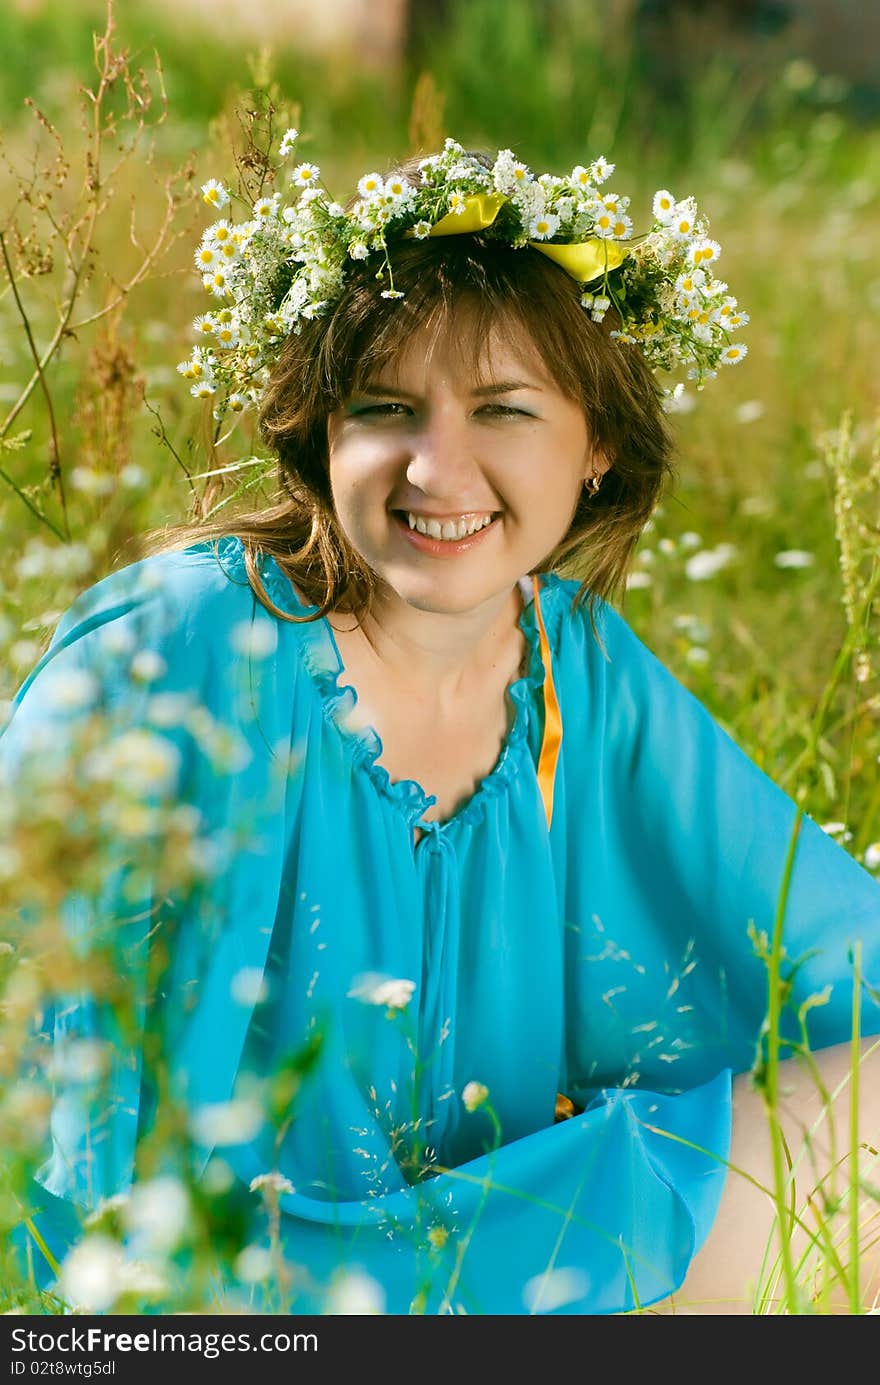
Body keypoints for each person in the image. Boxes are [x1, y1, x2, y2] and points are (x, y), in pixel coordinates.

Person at [3, 138, 879, 1317]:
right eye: (385, 409)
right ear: (321, 433)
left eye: (504, 409)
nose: (436, 467)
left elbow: (824, 934)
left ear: (598, 443)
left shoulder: (576, 666)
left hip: (501, 1234)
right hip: (210, 1289)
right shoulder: (177, 643)